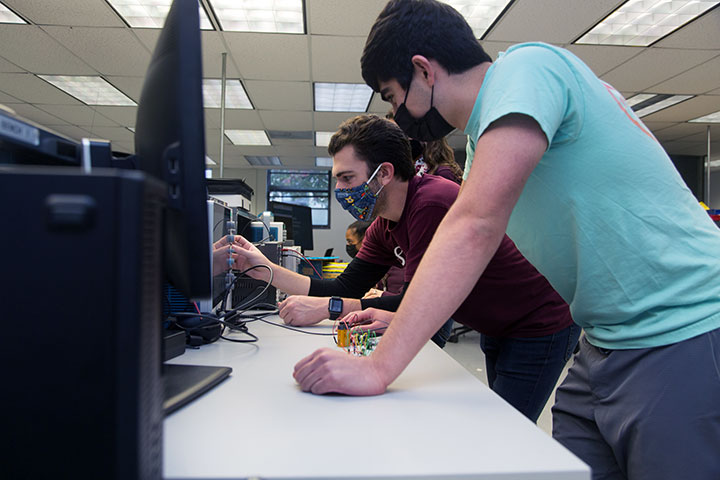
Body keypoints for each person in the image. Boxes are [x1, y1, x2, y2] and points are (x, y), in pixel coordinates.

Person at [293, 1, 720, 479]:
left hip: (681, 327)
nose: (398, 114)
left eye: (393, 96)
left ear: (423, 70)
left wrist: (377, 369)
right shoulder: (480, 145)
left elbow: (475, 225)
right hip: (603, 341)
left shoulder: (528, 66)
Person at [237, 114, 578, 420]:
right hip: (496, 323)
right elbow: (344, 288)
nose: (339, 190)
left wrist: (331, 308)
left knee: (508, 432)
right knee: (499, 423)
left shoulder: (431, 203)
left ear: (383, 173)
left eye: (346, 178)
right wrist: (264, 266)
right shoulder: (384, 224)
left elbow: (416, 301)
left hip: (538, 323)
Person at [345, 220, 404, 298]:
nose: (348, 245)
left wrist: (381, 295)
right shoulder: (377, 266)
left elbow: (406, 300)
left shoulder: (398, 267)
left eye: (350, 241)